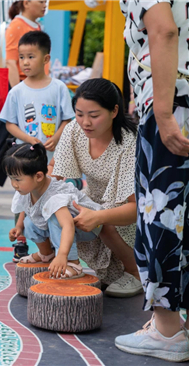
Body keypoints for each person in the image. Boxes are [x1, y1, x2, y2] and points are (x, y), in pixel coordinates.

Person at [114, 1, 189, 361]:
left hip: (173, 103)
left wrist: (162, 112)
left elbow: (163, 30)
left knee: (162, 214)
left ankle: (167, 329)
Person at [50, 78, 141, 297]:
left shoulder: (130, 142)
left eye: (94, 115)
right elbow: (56, 173)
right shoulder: (74, 129)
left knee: (104, 221)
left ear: (114, 111)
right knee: (54, 207)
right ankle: (60, 261)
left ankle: (135, 273)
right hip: (92, 199)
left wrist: (98, 217)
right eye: (79, 114)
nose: (85, 122)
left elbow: (134, 208)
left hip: (127, 212)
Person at [0, 30, 74, 262]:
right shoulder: (17, 91)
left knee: (53, 198)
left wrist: (58, 136)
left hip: (54, 156)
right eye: (21, 57)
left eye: (31, 56)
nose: (25, 62)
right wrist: (29, 139)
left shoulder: (59, 87)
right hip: (27, 156)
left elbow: (68, 119)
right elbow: (9, 124)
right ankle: (21, 241)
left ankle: (58, 246)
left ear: (46, 59)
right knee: (23, 194)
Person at [0, 0, 47, 210]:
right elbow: (11, 62)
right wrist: (20, 94)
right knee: (5, 138)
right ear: (26, 3)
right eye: (41, 1)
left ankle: (35, 187)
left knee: (28, 140)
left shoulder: (37, 27)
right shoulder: (17, 25)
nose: (45, 5)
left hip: (36, 89)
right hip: (20, 89)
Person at [5, 143, 102, 278]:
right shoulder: (26, 188)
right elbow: (27, 208)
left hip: (88, 225)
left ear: (38, 176)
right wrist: (19, 226)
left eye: (17, 179)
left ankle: (73, 262)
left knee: (55, 218)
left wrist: (62, 255)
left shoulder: (55, 196)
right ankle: (46, 254)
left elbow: (67, 225)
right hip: (64, 224)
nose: (14, 184)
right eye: (11, 178)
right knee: (30, 223)